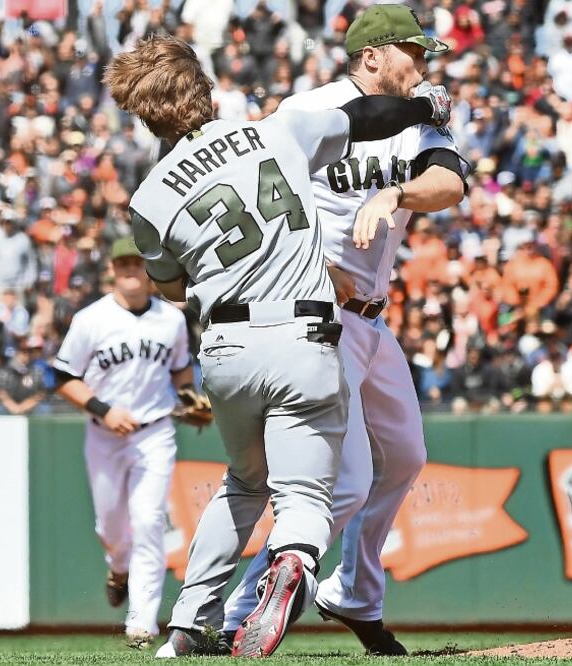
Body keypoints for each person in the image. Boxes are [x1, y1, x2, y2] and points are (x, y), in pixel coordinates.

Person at [103, 34, 450, 657]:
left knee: (243, 482)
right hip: (305, 333)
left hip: (228, 347)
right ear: (203, 88)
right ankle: (292, 565)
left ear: (143, 110)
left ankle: (185, 624)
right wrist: (425, 110)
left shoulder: (148, 199)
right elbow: (363, 117)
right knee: (310, 497)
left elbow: (172, 286)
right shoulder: (273, 133)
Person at [222, 5, 467, 655]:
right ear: (371, 56)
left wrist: (398, 196)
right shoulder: (307, 112)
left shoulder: (416, 117)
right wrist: (311, 264)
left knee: (406, 457)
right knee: (347, 481)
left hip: (371, 320)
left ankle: (352, 592)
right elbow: (254, 199)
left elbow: (448, 183)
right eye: (414, 54)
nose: (425, 66)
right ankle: (236, 615)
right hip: (316, 314)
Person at [52, 237, 194, 649]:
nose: (131, 268)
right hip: (104, 434)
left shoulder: (171, 320)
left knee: (149, 520)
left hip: (155, 432)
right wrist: (103, 409)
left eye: (137, 262)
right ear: (113, 270)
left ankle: (142, 621)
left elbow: (181, 372)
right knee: (111, 527)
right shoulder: (90, 320)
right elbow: (62, 377)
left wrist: (190, 401)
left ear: (150, 270)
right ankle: (118, 567)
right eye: (123, 262)